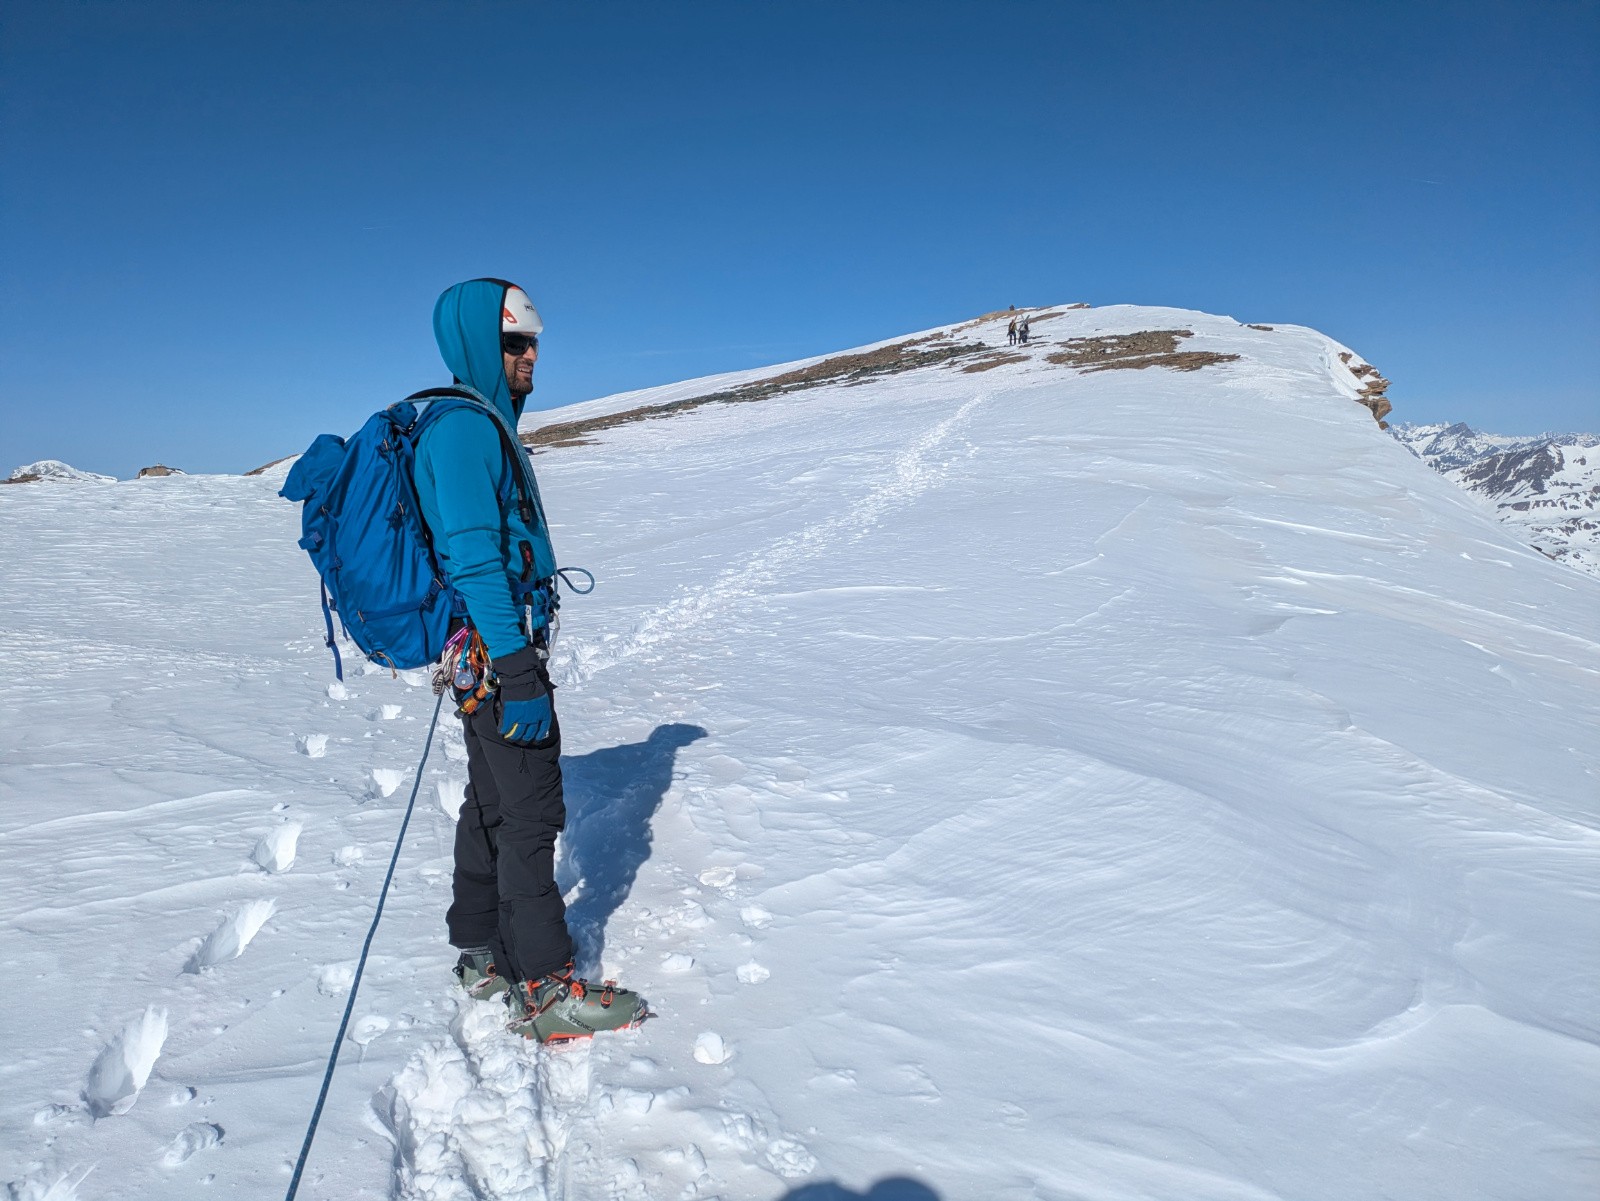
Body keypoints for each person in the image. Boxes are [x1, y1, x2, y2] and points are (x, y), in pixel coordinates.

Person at [413, 277, 646, 1042]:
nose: (530, 355)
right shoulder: (466, 430)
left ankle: (482, 955)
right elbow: (476, 560)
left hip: (480, 652)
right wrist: (517, 671)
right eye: (514, 341)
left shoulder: (473, 422)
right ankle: (546, 990)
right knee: (531, 810)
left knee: (492, 801)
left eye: (535, 340)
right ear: (483, 343)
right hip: (495, 653)